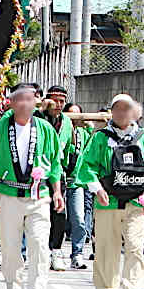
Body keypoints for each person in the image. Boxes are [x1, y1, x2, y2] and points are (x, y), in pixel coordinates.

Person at [75, 93, 144, 289]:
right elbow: (86, 166)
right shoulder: (100, 137)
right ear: (111, 112)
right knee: (107, 248)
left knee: (135, 247)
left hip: (135, 202)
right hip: (108, 202)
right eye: (118, 108)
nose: (122, 113)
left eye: (127, 108)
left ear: (133, 112)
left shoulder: (143, 138)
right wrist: (96, 189)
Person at [0, 83, 64, 289]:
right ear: (12, 102)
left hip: (39, 193)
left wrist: (57, 191)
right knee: (10, 245)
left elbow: (55, 162)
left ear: (36, 102)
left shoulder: (45, 128)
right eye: (20, 99)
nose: (25, 103)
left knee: (39, 242)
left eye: (29, 99)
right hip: (8, 192)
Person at [38, 85, 74, 271]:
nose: (59, 105)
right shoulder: (37, 117)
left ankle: (56, 251)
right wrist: (41, 109)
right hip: (36, 172)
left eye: (62, 101)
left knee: (59, 212)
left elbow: (68, 148)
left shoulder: (67, 122)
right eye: (55, 100)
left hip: (57, 171)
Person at [64, 101, 93, 264]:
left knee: (78, 218)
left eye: (77, 116)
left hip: (77, 182)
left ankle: (77, 252)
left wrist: (87, 123)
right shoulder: (61, 130)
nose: (74, 120)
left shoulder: (84, 133)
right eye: (71, 115)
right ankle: (54, 251)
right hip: (60, 179)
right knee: (58, 219)